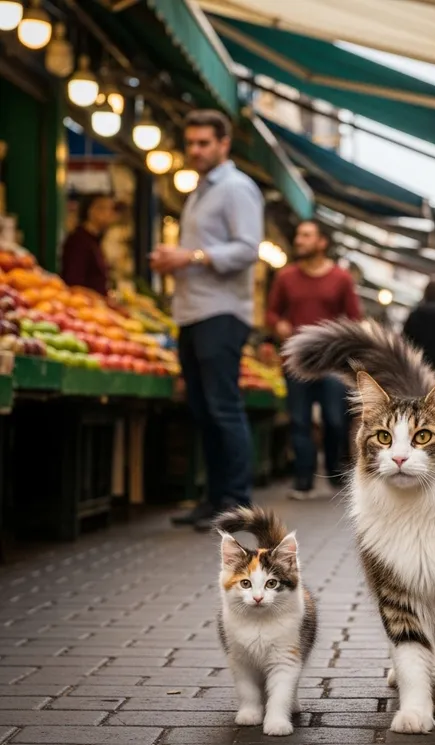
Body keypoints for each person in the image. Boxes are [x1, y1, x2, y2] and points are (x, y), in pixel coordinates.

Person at [150, 109, 264, 532]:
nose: (195, 150)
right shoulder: (199, 191)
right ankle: (214, 499)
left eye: (203, 143)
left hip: (222, 312)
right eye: (191, 142)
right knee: (201, 410)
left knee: (223, 408)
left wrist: (190, 256)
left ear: (223, 144)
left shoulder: (236, 189)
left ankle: (237, 504)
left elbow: (248, 249)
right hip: (192, 312)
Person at [267, 220, 361, 500]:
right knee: (299, 421)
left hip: (331, 364)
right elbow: (271, 313)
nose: (299, 240)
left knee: (335, 421)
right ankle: (303, 481)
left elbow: (354, 319)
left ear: (322, 242)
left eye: (306, 236)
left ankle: (333, 474)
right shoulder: (285, 278)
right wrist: (278, 325)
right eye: (298, 235)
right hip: (296, 362)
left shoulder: (341, 279)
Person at [61, 194, 118, 295]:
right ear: (91, 211)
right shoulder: (79, 241)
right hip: (82, 306)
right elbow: (74, 283)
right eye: (104, 208)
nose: (110, 214)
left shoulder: (95, 240)